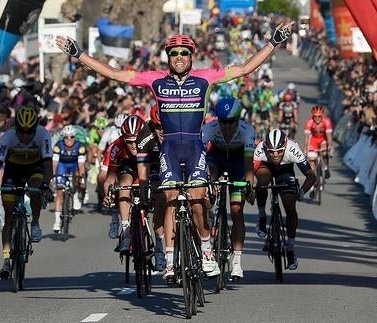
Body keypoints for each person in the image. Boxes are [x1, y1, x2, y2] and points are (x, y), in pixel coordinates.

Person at [56, 21, 294, 279]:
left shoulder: (205, 77)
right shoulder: (155, 79)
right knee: (169, 199)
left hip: (194, 147)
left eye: (184, 53)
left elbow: (245, 68)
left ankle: (206, 250)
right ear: (167, 57)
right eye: (173, 53)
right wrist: (78, 54)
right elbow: (115, 74)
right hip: (169, 149)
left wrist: (274, 41)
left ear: (191, 56)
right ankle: (169, 261)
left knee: (197, 202)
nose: (179, 57)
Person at [0, 107, 53, 279]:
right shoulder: (8, 136)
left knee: (36, 189)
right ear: (15, 128)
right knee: (9, 214)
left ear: (35, 129)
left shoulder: (43, 135)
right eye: (21, 132)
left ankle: (35, 223)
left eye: (29, 132)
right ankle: (7, 261)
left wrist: (46, 184)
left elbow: (48, 164)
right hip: (13, 170)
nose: (25, 135)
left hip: (35, 168)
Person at [201, 97, 256, 280]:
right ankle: (207, 231)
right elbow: (201, 160)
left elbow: (248, 164)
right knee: (207, 195)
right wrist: (209, 182)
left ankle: (237, 262)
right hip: (215, 160)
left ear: (238, 119)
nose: (226, 125)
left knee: (236, 210)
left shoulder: (247, 130)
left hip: (238, 163)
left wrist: (249, 185)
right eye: (222, 121)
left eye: (230, 121)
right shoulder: (209, 128)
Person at [253, 129, 316, 270]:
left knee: (290, 206)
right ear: (266, 147)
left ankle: (291, 249)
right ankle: (262, 215)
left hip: (285, 171)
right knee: (262, 183)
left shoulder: (292, 149)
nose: (275, 155)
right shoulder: (260, 149)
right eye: (271, 151)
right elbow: (250, 172)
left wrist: (302, 192)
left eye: (279, 151)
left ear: (285, 146)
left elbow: (311, 176)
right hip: (265, 167)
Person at [101, 115, 145, 252]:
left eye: (136, 141)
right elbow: (109, 178)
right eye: (129, 141)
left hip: (146, 166)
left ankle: (160, 246)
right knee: (124, 183)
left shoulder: (150, 142)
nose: (133, 145)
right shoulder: (116, 146)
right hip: (128, 167)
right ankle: (126, 232)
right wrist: (108, 194)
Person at [136, 105, 166, 270]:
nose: (161, 131)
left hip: (177, 162)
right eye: (158, 127)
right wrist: (144, 194)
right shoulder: (145, 135)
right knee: (160, 199)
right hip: (154, 166)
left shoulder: (177, 129)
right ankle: (160, 250)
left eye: (164, 126)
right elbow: (142, 173)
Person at [51, 125, 87, 232]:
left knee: (78, 174)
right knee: (59, 193)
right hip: (62, 165)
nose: (69, 140)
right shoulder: (58, 146)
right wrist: (53, 176)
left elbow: (81, 165)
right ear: (63, 138)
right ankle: (57, 221)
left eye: (71, 137)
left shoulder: (80, 147)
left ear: (75, 137)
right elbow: (55, 163)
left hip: (74, 165)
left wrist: (82, 178)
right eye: (66, 137)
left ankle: (75, 195)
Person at [304, 105, 333, 181]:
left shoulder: (327, 121)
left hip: (323, 139)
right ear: (312, 116)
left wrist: (330, 146)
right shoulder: (309, 122)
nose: (317, 118)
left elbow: (328, 135)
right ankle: (313, 182)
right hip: (313, 140)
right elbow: (307, 136)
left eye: (319, 116)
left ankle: (326, 168)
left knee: (324, 152)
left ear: (322, 115)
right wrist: (305, 147)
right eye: (315, 116)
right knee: (312, 160)